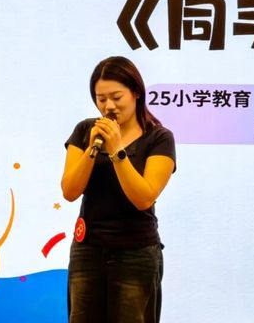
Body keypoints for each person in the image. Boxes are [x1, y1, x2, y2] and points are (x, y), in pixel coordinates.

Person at [61, 56, 176, 323]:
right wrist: (93, 149)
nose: (108, 106)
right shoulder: (85, 130)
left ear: (136, 92)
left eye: (116, 97)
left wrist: (116, 151)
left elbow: (144, 198)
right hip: (87, 250)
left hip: (135, 253)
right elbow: (69, 191)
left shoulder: (159, 138)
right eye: (101, 99)